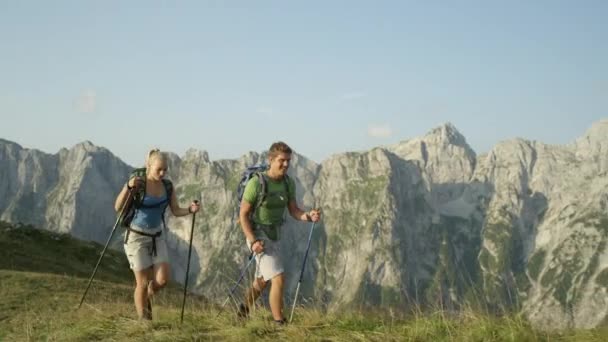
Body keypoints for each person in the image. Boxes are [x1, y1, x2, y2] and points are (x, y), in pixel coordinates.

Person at [239, 141, 321, 324]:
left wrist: (308, 216)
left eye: (288, 161)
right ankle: (280, 323)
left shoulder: (288, 183)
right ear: (271, 159)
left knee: (262, 280)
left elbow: (294, 210)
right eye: (282, 160)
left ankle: (243, 311)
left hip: (274, 235)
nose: (286, 164)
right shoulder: (256, 183)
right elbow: (243, 215)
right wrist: (252, 241)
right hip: (257, 235)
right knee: (278, 277)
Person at [114, 149, 200, 320]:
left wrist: (190, 210)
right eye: (158, 169)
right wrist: (128, 187)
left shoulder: (167, 186)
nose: (162, 173)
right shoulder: (138, 183)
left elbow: (175, 210)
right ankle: (144, 322)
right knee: (142, 283)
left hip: (157, 235)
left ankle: (147, 297)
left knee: (162, 280)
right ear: (148, 166)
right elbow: (118, 207)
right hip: (136, 236)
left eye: (165, 170)